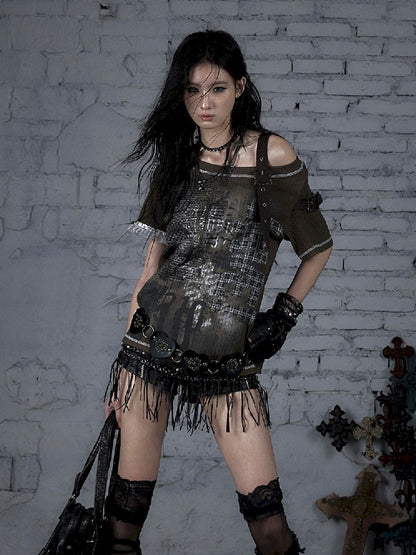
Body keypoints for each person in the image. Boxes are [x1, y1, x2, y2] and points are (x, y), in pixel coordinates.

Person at [103, 30, 332, 555]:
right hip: (149, 349)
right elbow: (150, 269)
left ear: (240, 88)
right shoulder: (176, 161)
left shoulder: (272, 155)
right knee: (122, 524)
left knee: (270, 528)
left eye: (218, 88)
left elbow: (318, 247)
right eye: (192, 90)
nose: (204, 103)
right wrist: (122, 366)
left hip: (227, 360)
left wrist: (284, 314)